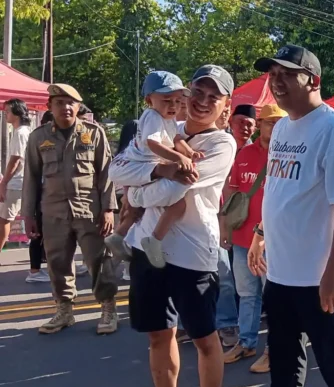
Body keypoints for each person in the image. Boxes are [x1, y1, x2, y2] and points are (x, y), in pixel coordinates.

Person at [108, 65, 237, 387]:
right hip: (146, 250)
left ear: (226, 105)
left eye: (214, 96)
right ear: (186, 92)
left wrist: (137, 190)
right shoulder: (162, 125)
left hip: (192, 254)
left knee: (205, 340)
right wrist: (158, 172)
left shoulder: (222, 144)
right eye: (198, 91)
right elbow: (117, 169)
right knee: (158, 335)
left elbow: (173, 191)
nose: (204, 101)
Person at [247, 45, 334, 387]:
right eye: (273, 75)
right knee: (283, 364)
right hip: (282, 274)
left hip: (321, 278)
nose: (277, 81)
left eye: (286, 74)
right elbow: (278, 189)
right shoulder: (282, 128)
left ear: (313, 80)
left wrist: (332, 273)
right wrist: (260, 234)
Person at [21, 84, 119, 335]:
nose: (65, 107)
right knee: (58, 262)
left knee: (99, 259)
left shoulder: (94, 133)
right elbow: (31, 178)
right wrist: (28, 215)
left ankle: (108, 307)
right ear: (50, 107)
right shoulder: (38, 137)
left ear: (78, 107)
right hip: (53, 212)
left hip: (89, 210)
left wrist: (108, 208)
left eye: (70, 102)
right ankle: (64, 310)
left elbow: (107, 173)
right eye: (59, 102)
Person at [105, 71, 198, 268]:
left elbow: (175, 138)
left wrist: (189, 151)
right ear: (149, 100)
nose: (173, 105)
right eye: (166, 100)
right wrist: (179, 157)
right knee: (177, 203)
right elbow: (153, 144)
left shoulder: (169, 118)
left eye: (177, 100)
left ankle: (120, 234)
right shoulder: (152, 116)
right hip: (137, 163)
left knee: (139, 206)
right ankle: (153, 240)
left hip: (147, 166)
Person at [221, 104, 285, 373]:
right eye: (270, 123)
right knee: (247, 294)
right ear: (260, 124)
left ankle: (276, 349)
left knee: (274, 298)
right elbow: (231, 190)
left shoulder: (288, 155)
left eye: (279, 123)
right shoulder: (244, 153)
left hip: (274, 241)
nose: (274, 128)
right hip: (242, 238)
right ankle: (246, 342)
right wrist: (225, 228)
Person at [1, 100, 34, 271]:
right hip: (21, 181)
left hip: (16, 182)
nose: (5, 114)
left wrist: (4, 181)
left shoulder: (21, 133)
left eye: (7, 111)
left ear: (16, 112)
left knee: (5, 219)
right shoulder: (23, 131)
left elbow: (16, 159)